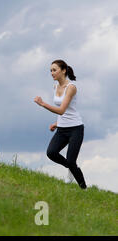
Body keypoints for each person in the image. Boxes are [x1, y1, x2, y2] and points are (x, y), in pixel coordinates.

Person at [34, 60, 87, 189]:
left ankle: (84, 188)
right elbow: (64, 113)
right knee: (51, 152)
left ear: (63, 70)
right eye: (51, 70)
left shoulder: (71, 87)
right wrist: (57, 123)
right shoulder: (55, 87)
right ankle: (71, 168)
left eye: (54, 70)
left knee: (71, 160)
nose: (52, 73)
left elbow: (62, 110)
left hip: (75, 129)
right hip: (62, 129)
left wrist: (43, 104)